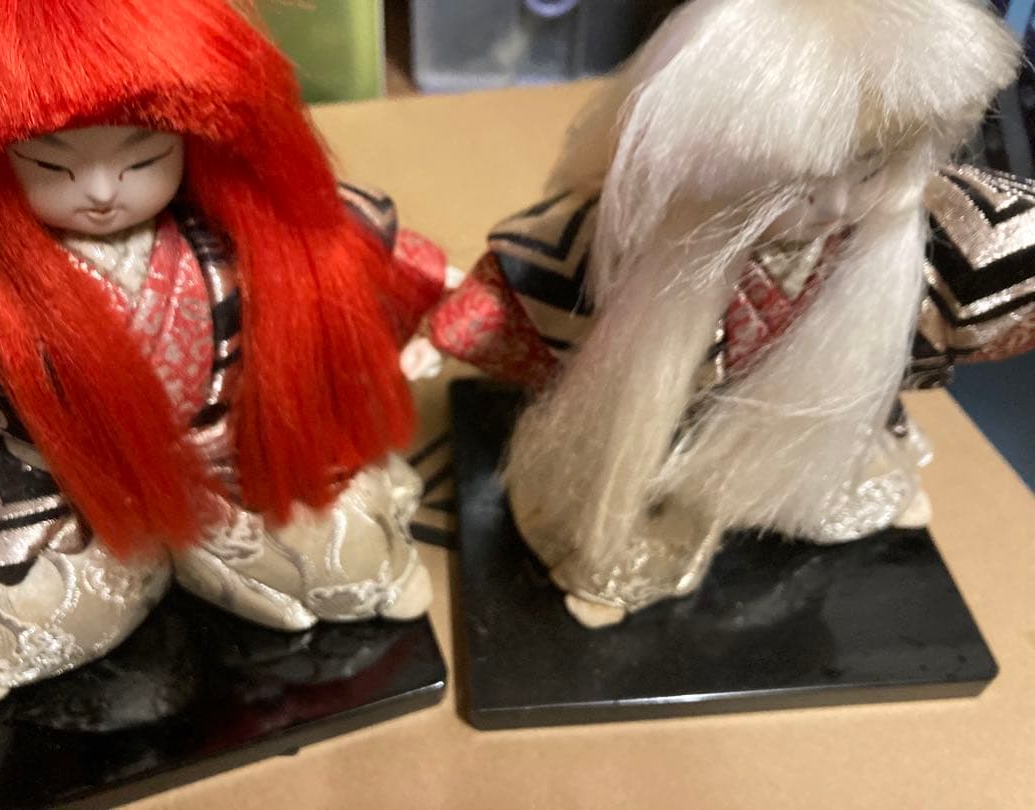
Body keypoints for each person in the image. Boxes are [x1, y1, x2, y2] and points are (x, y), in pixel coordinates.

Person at [426, 0, 1030, 627]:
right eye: (795, 185)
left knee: (847, 441)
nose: (836, 207)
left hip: (814, 420)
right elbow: (517, 293)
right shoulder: (624, 241)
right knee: (625, 474)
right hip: (668, 425)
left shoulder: (906, 234)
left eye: (871, 168)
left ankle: (819, 488)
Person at [0, 0, 440, 710]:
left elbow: (361, 276)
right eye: (52, 164)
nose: (101, 191)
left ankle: (223, 562)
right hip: (75, 495)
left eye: (143, 157)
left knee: (354, 558)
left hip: (233, 457)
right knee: (35, 613)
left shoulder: (231, 236)